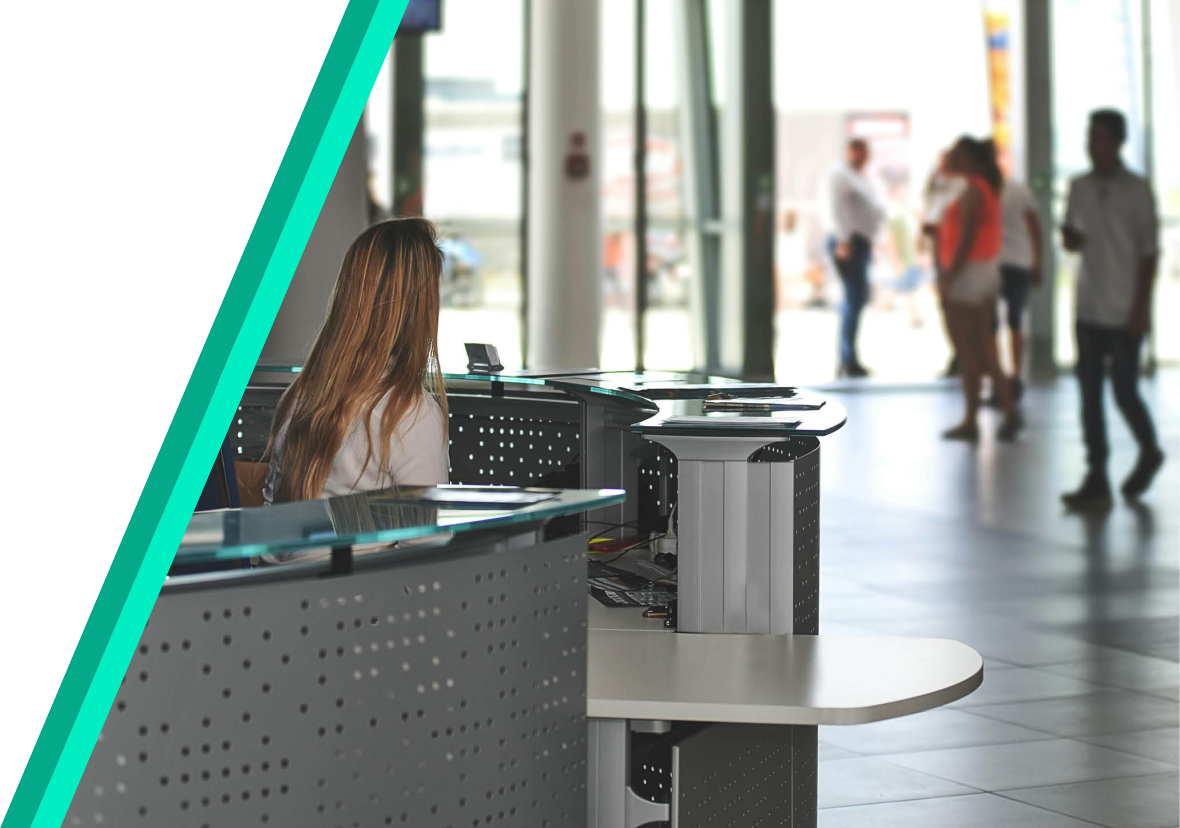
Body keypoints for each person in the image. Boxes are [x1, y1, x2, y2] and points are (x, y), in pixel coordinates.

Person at [262, 218, 450, 505]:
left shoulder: (298, 396)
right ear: (419, 308)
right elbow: (424, 544)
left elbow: (269, 526)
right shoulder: (411, 414)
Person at [1060, 109, 1164, 510]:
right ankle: (1096, 473)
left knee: (1123, 390)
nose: (1093, 145)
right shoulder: (1079, 186)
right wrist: (1069, 237)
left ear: (1118, 142)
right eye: (1089, 138)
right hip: (1087, 305)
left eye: (1101, 138)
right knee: (1089, 395)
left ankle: (1149, 448)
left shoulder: (1138, 190)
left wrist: (1141, 307)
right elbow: (1072, 241)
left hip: (1124, 307)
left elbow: (1149, 253)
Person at [936, 136, 1023, 442]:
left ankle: (998, 411)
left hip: (969, 276)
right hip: (979, 273)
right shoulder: (981, 188)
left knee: (974, 352)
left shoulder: (974, 191)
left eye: (958, 154)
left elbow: (966, 239)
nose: (951, 159)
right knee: (981, 350)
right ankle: (982, 415)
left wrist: (950, 276)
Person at [827, 138, 885, 377]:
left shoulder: (859, 177)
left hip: (860, 243)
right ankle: (847, 360)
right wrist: (843, 240)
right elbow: (835, 208)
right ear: (850, 151)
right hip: (849, 243)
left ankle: (849, 357)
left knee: (857, 299)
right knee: (853, 299)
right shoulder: (841, 175)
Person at [988, 172, 1043, 403]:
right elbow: (1035, 228)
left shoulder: (1015, 191)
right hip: (1000, 263)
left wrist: (1037, 261)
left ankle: (1012, 378)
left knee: (1011, 322)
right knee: (1002, 324)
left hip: (1009, 263)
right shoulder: (986, 191)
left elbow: (1034, 227)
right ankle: (1003, 379)